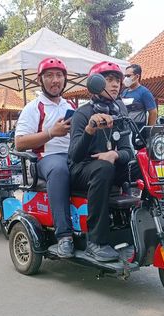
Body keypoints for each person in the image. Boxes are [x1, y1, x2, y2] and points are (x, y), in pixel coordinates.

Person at [69, 61, 133, 262]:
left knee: (143, 164)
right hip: (81, 170)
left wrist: (114, 155)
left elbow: (127, 151)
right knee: (103, 169)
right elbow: (74, 156)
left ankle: (144, 227)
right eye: (109, 80)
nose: (115, 84)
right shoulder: (82, 114)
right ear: (96, 84)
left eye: (117, 80)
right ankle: (96, 242)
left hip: (108, 166)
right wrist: (89, 130)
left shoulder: (119, 113)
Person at [14, 57, 75, 258]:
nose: (55, 80)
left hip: (72, 156)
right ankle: (64, 235)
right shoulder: (33, 108)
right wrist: (51, 132)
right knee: (59, 170)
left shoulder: (71, 106)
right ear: (40, 80)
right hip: (44, 158)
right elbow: (20, 142)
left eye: (59, 75)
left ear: (65, 79)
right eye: (49, 76)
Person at [121, 64, 157, 133]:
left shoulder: (144, 92)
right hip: (124, 132)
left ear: (137, 76)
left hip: (137, 134)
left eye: (128, 76)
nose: (126, 78)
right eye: (125, 76)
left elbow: (153, 112)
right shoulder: (124, 92)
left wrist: (148, 131)